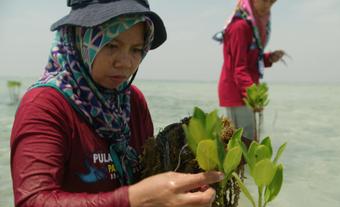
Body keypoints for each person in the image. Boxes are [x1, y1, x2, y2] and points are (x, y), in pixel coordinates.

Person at [10, 0, 223, 206]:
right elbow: (32, 200)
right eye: (111, 45)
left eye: (136, 49)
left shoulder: (132, 102)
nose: (125, 62)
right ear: (79, 39)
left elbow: (147, 176)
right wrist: (132, 200)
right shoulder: (45, 105)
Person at [214, 0, 285, 141]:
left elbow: (251, 61)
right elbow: (239, 69)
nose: (268, 5)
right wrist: (254, 99)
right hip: (236, 93)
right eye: (264, 0)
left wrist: (269, 58)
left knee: (247, 143)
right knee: (243, 144)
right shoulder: (239, 27)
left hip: (245, 92)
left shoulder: (252, 25)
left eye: (272, 2)